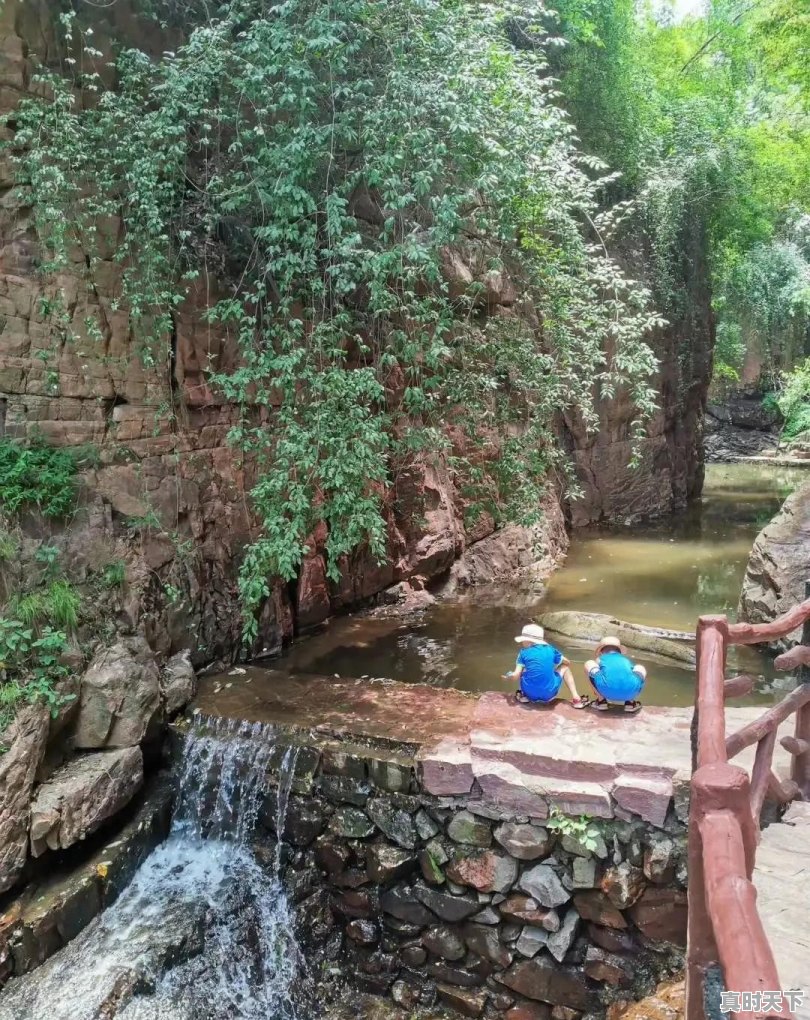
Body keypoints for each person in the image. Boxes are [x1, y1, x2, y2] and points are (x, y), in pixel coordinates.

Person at [503, 623, 588, 708]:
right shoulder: (551, 649)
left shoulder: (523, 653)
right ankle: (576, 698)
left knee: (525, 669)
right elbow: (567, 663)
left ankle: (523, 695)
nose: (522, 642)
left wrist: (509, 676)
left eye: (523, 639)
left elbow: (516, 675)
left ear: (529, 640)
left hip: (530, 695)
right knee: (565, 668)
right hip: (549, 695)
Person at [584, 636, 647, 714]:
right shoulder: (626, 660)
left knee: (589, 663)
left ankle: (601, 701)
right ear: (619, 651)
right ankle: (630, 703)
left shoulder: (600, 659)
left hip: (605, 691)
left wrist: (595, 690)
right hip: (630, 693)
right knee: (640, 667)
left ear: (601, 651)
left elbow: (593, 676)